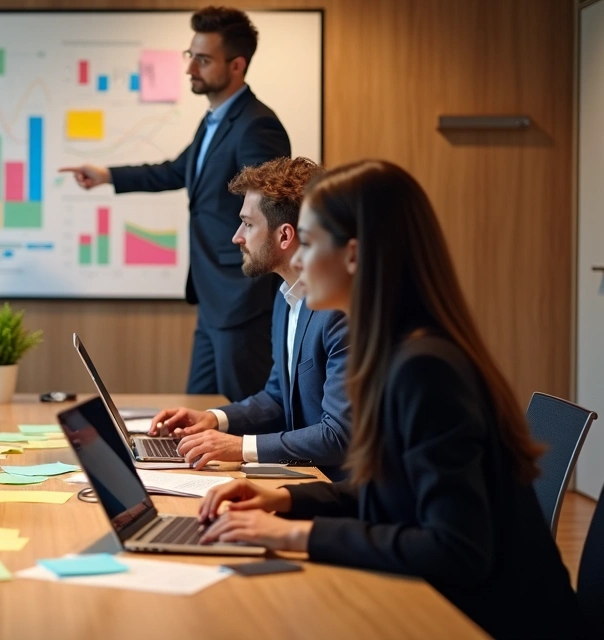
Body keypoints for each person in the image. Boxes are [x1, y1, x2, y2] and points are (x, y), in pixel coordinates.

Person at [195, 160, 583, 639]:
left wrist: (297, 533)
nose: (298, 262)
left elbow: (455, 549)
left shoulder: (425, 368)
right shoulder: (398, 351)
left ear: (353, 256)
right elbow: (393, 491)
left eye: (309, 243)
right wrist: (283, 498)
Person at [60, 6, 290, 400]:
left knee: (247, 413)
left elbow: (270, 207)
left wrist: (248, 287)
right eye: (190, 56)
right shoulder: (214, 121)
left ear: (237, 65)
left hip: (240, 298)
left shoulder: (256, 125)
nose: (190, 69)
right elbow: (176, 171)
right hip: (212, 298)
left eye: (203, 60)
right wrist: (108, 175)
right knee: (197, 407)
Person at [148, 157, 352, 479]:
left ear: (285, 236)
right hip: (308, 479)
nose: (237, 237)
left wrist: (241, 447)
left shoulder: (339, 312)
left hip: (339, 492)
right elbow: (276, 397)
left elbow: (339, 435)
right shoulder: (285, 296)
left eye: (248, 224)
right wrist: (214, 419)